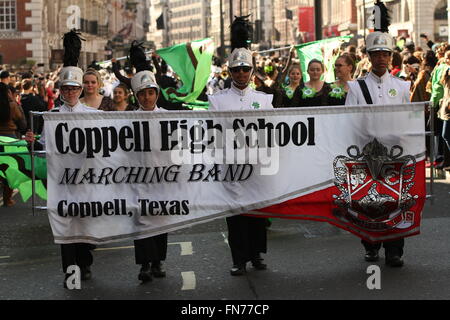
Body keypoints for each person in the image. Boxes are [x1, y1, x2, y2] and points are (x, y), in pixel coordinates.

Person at [24, 30, 100, 287]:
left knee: (84, 226)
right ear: (61, 90)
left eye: (74, 88)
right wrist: (32, 142)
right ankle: (71, 272)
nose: (69, 92)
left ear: (80, 89)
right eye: (65, 89)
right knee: (65, 226)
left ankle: (85, 261)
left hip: (87, 179)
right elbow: (43, 147)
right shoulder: (51, 116)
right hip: (61, 181)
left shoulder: (92, 115)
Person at [345, 4, 411, 267]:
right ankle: (371, 244)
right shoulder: (357, 87)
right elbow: (349, 120)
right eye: (376, 54)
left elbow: (410, 119)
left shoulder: (403, 86)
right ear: (369, 57)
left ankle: (395, 249)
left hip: (397, 153)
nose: (381, 58)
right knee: (368, 201)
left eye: (385, 53)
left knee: (396, 200)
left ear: (391, 56)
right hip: (366, 153)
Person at [208, 16, 272, 276]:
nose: (242, 74)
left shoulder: (264, 100)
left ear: (252, 71)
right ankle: (239, 259)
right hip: (231, 166)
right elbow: (211, 134)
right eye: (237, 70)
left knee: (257, 212)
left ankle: (256, 255)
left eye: (246, 69)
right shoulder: (218, 101)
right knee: (236, 216)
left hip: (257, 165)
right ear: (230, 72)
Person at [128, 42, 168, 283]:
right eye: (142, 93)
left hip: (163, 177)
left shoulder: (167, 118)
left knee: (160, 219)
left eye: (150, 92)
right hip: (136, 178)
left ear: (156, 94)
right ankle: (144, 264)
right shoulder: (126, 120)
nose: (146, 97)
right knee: (141, 221)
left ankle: (158, 261)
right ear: (137, 96)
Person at [0, 83, 27, 207]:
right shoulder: (12, 106)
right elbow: (22, 124)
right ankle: (7, 199)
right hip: (10, 140)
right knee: (10, 171)